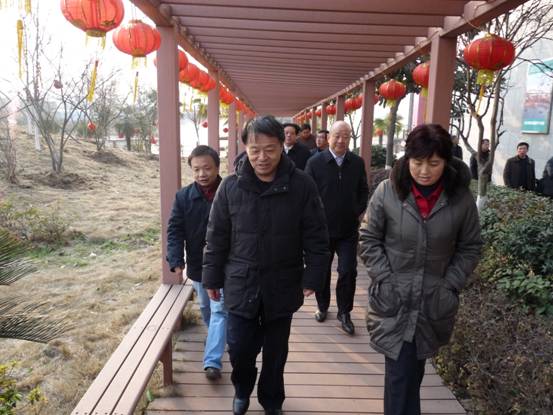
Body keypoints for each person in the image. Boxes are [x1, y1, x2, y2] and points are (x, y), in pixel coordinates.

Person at [202, 115, 329, 415]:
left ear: (282, 146)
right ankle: (242, 388)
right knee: (240, 348)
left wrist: (313, 276)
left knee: (276, 351)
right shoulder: (231, 187)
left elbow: (316, 235)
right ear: (245, 148)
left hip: (282, 283)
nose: (262, 157)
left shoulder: (301, 185)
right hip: (240, 281)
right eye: (255, 149)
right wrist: (211, 278)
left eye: (270, 149)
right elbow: (216, 236)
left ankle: (272, 400)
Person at [359, 124, 482, 415]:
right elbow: (368, 238)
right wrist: (385, 277)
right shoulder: (388, 191)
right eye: (417, 162)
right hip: (395, 297)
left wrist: (449, 284)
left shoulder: (460, 198)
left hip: (432, 300)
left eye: (434, 163)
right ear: (407, 159)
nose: (424, 171)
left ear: (447, 162)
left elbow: (470, 246)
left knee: (410, 375)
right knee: (401, 375)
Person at [166, 145, 228, 381]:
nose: (202, 174)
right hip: (198, 264)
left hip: (224, 263)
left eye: (207, 168)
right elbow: (175, 230)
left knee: (219, 308)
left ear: (217, 167)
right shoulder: (183, 197)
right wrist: (176, 259)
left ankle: (212, 361)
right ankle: (216, 336)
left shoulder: (230, 191)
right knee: (205, 306)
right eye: (196, 169)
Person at [305, 121, 369, 335]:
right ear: (329, 137)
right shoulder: (314, 163)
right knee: (322, 271)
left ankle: (344, 312)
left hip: (348, 230)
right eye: (337, 136)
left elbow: (363, 190)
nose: (341, 140)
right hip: (321, 231)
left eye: (346, 136)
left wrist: (356, 210)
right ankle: (322, 306)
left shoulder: (357, 162)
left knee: (348, 271)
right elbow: (307, 195)